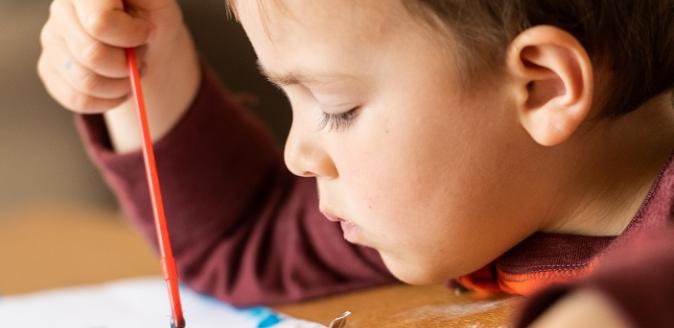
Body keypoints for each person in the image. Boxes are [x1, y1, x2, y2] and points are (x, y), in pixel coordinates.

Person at [37, 0, 674, 326]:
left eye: (338, 108)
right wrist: (145, 67)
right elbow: (242, 237)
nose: (298, 154)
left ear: (541, 87)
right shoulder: (483, 198)